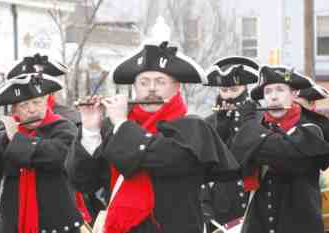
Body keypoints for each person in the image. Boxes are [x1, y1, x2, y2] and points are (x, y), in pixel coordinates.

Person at [66, 41, 239, 233]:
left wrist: (122, 125)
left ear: (176, 87)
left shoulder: (192, 127)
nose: (151, 89)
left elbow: (166, 159)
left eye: (160, 81)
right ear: (134, 87)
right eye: (144, 82)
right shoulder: (113, 128)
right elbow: (84, 181)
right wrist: (90, 130)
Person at [0, 64, 83, 233]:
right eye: (24, 105)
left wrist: (16, 139)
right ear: (14, 110)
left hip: (58, 226)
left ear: (47, 101)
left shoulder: (64, 128)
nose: (32, 109)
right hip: (14, 226)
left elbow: (55, 157)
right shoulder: (5, 135)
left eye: (37, 101)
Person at [231, 65, 329, 233]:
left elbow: (286, 156)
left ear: (294, 94)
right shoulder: (259, 127)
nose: (274, 97)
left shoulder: (311, 127)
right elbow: (236, 157)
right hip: (259, 225)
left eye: (280, 90)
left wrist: (248, 127)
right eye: (268, 92)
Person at [201, 56, 260, 232]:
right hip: (221, 206)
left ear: (246, 89)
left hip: (254, 201)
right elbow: (202, 168)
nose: (229, 95)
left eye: (234, 89)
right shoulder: (208, 124)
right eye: (224, 90)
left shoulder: (261, 120)